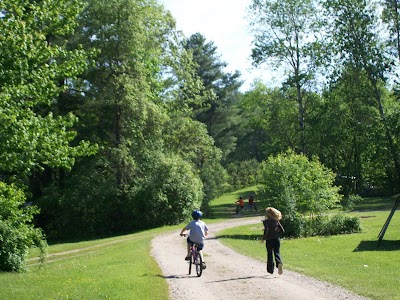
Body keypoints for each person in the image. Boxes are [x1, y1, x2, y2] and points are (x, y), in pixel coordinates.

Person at [263, 207, 285, 275]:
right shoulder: (276, 221)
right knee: (277, 252)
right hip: (276, 239)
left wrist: (264, 237)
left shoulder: (266, 222)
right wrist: (276, 234)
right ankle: (279, 263)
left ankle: (270, 270)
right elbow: (282, 230)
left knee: (269, 254)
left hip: (269, 240)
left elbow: (266, 231)